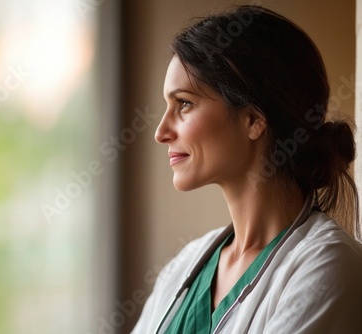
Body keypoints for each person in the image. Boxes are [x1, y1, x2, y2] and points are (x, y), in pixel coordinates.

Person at [132, 5, 362, 334]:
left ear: (253, 119)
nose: (161, 132)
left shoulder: (330, 267)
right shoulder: (184, 267)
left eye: (184, 103)